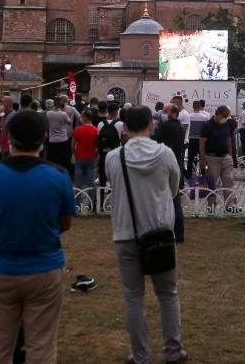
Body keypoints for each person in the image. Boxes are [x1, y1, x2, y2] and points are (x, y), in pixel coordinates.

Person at [0, 108, 76, 364]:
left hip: (2, 267)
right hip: (45, 267)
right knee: (41, 347)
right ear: (44, 137)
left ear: (9, 136)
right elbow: (65, 222)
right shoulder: (58, 175)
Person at [106, 106, 186, 364]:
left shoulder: (114, 158)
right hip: (159, 232)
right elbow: (174, 190)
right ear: (151, 126)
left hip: (125, 232)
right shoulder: (165, 154)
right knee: (167, 294)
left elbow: (113, 186)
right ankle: (173, 351)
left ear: (125, 128)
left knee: (133, 297)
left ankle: (140, 354)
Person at [152, 104, 186, 242]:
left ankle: (162, 231)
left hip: (165, 164)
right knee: (175, 198)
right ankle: (179, 233)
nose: (163, 114)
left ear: (173, 113)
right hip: (177, 163)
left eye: (166, 112)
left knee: (163, 199)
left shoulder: (165, 127)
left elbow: (154, 140)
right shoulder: (179, 127)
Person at [198, 105, 239, 211]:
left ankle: (229, 205)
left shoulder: (226, 124)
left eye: (227, 116)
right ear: (218, 114)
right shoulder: (207, 125)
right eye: (225, 116)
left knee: (229, 181)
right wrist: (202, 158)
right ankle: (211, 205)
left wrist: (230, 155)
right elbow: (202, 142)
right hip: (212, 158)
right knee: (211, 182)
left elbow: (228, 139)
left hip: (225, 157)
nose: (226, 118)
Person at [72, 110, 99, 205]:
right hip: (91, 157)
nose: (81, 118)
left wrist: (75, 153)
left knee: (78, 180)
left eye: (82, 116)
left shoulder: (78, 129)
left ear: (86, 117)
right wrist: (96, 156)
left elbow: (73, 144)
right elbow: (97, 146)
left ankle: (76, 203)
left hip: (79, 156)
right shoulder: (95, 130)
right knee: (90, 180)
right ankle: (90, 203)